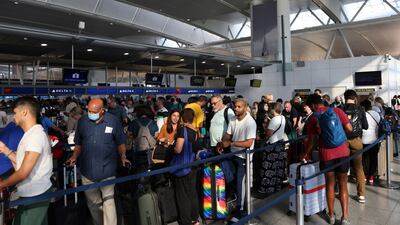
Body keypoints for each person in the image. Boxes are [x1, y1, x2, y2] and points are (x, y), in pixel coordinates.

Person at [66, 98, 130, 225]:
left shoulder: (113, 121)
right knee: (93, 204)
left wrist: (123, 156)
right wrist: (74, 156)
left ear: (102, 110)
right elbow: (78, 143)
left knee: (109, 202)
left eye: (94, 111)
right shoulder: (83, 121)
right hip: (87, 171)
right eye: (88, 110)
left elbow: (120, 142)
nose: (90, 113)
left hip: (107, 170)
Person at [0, 96, 53, 225]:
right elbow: (22, 163)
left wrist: (2, 184)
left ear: (24, 112)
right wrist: (5, 149)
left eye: (15, 112)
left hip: (35, 195)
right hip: (31, 194)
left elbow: (23, 172)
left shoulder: (35, 136)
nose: (13, 117)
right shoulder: (31, 134)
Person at [301, 94, 352, 225]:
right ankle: (345, 217)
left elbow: (312, 140)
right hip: (342, 152)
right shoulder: (337, 111)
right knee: (343, 184)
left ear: (312, 105)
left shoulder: (313, 118)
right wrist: (340, 137)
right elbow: (349, 128)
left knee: (329, 184)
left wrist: (304, 154)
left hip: (326, 154)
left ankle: (331, 216)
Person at [217, 98, 257, 223]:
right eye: (235, 106)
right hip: (233, 154)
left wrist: (231, 143)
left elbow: (249, 142)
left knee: (241, 184)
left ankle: (241, 211)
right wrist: (223, 142)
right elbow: (228, 134)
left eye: (239, 107)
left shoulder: (250, 122)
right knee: (232, 180)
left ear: (245, 108)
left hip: (243, 158)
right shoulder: (233, 119)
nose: (236, 108)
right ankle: (235, 204)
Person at [172, 108, 201, 225]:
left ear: (183, 118)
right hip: (193, 166)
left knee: (182, 196)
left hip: (182, 167)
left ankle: (186, 221)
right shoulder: (195, 131)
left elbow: (178, 150)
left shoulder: (182, 130)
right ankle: (195, 218)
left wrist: (171, 147)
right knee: (192, 193)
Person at [343, 89, 368, 203]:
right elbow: (365, 126)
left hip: (343, 141)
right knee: (358, 168)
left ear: (345, 98)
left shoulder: (340, 109)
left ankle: (342, 192)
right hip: (357, 141)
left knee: (342, 167)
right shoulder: (361, 109)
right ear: (355, 98)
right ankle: (361, 195)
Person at [360, 100, 381, 185]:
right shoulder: (376, 114)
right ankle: (371, 176)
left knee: (364, 158)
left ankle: (364, 175)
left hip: (363, 139)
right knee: (373, 158)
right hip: (374, 139)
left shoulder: (362, 114)